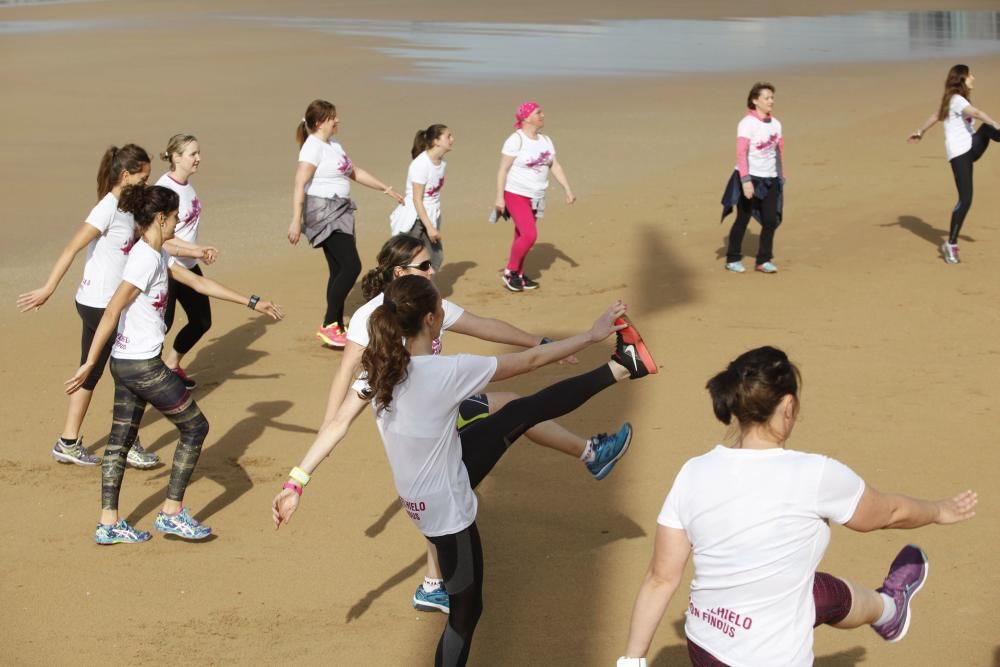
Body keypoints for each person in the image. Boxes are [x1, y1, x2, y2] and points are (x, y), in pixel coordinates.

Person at [274, 275, 656, 666]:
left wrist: (296, 482)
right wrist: (590, 335)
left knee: (519, 412)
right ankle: (619, 368)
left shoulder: (380, 369)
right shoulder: (446, 372)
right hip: (446, 511)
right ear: (429, 319)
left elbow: (337, 424)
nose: (445, 311)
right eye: (441, 308)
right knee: (465, 617)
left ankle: (623, 366)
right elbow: (531, 361)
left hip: (437, 477)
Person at [617, 346, 977, 667]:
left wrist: (631, 660)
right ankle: (889, 609)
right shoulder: (815, 474)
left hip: (705, 646)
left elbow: (661, 577)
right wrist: (939, 510)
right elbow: (888, 513)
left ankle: (888, 610)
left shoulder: (692, 472)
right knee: (801, 592)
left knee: (815, 591)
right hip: (766, 659)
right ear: (788, 406)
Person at [65, 184, 283, 544]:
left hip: (125, 363)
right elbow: (113, 309)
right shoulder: (144, 260)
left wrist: (251, 301)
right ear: (160, 218)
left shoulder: (155, 252)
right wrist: (89, 363)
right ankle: (171, 512)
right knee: (195, 428)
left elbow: (197, 282)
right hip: (142, 366)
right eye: (175, 218)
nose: (178, 223)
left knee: (119, 443)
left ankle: (109, 523)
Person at [17, 144, 215, 470]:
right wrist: (48, 288)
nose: (149, 183)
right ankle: (130, 443)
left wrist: (195, 251)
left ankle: (68, 441)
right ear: (125, 175)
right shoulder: (108, 209)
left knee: (92, 370)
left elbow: (159, 238)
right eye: (143, 177)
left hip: (100, 302)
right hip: (100, 303)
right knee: (131, 371)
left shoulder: (131, 208)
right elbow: (71, 248)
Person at [288, 98, 404, 348]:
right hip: (324, 212)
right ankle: (329, 323)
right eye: (332, 117)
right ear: (320, 123)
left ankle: (336, 326)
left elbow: (354, 172)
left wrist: (386, 189)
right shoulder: (313, 147)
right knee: (352, 266)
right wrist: (295, 221)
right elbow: (299, 183)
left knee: (338, 268)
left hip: (341, 210)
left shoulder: (333, 144)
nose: (337, 120)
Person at [908, 64, 1000, 264]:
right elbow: (975, 113)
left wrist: (920, 131)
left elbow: (936, 116)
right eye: (970, 75)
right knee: (965, 200)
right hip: (960, 154)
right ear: (962, 79)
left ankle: (951, 243)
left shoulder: (954, 100)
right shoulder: (957, 100)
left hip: (969, 148)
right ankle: (951, 244)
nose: (973, 77)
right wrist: (995, 123)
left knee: (986, 130)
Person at [156, 134, 217, 389]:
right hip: (168, 269)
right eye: (193, 154)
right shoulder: (164, 190)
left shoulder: (186, 185)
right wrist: (197, 251)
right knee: (161, 327)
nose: (198, 158)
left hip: (189, 265)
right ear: (176, 156)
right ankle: (147, 377)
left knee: (202, 321)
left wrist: (196, 252)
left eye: (198, 153)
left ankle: (171, 365)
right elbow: (160, 239)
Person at [494, 101, 575, 292]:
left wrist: (567, 190)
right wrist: (499, 198)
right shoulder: (516, 140)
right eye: (538, 112)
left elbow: (555, 166)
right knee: (530, 235)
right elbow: (502, 170)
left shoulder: (546, 140)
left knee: (521, 235)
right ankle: (510, 271)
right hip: (515, 193)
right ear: (526, 117)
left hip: (536, 196)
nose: (543, 115)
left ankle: (519, 274)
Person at [723, 82, 784, 274]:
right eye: (766, 98)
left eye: (772, 97)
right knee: (743, 218)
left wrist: (780, 176)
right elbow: (741, 153)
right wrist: (746, 180)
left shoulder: (776, 124)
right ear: (755, 101)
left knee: (770, 220)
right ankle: (733, 258)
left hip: (771, 178)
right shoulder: (747, 123)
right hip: (750, 178)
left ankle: (763, 260)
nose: (771, 101)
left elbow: (778, 151)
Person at [389, 124, 453, 271]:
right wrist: (430, 228)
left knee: (435, 258)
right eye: (448, 136)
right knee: (406, 258)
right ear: (436, 141)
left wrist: (433, 223)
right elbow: (417, 199)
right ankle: (396, 289)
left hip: (431, 214)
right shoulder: (420, 165)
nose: (452, 139)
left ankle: (421, 290)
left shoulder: (442, 163)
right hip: (415, 217)